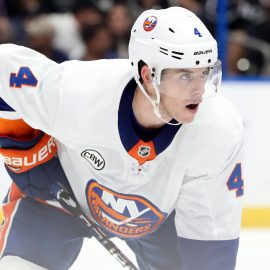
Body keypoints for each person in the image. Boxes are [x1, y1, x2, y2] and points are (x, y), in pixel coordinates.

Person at [0, 7, 244, 270]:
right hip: (56, 198)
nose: (200, 89)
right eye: (185, 75)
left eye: (205, 73)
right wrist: (26, 155)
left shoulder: (218, 131)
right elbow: (4, 69)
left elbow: (211, 244)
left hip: (158, 223)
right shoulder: (80, 92)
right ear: (149, 75)